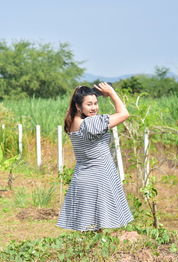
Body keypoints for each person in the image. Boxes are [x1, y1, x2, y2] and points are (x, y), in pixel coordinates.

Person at [55, 82, 134, 233]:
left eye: (96, 103)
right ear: (78, 107)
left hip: (84, 176)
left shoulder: (73, 121)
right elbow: (124, 113)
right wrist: (111, 93)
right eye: (89, 104)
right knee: (98, 229)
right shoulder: (90, 124)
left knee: (90, 229)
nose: (94, 108)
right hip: (97, 179)